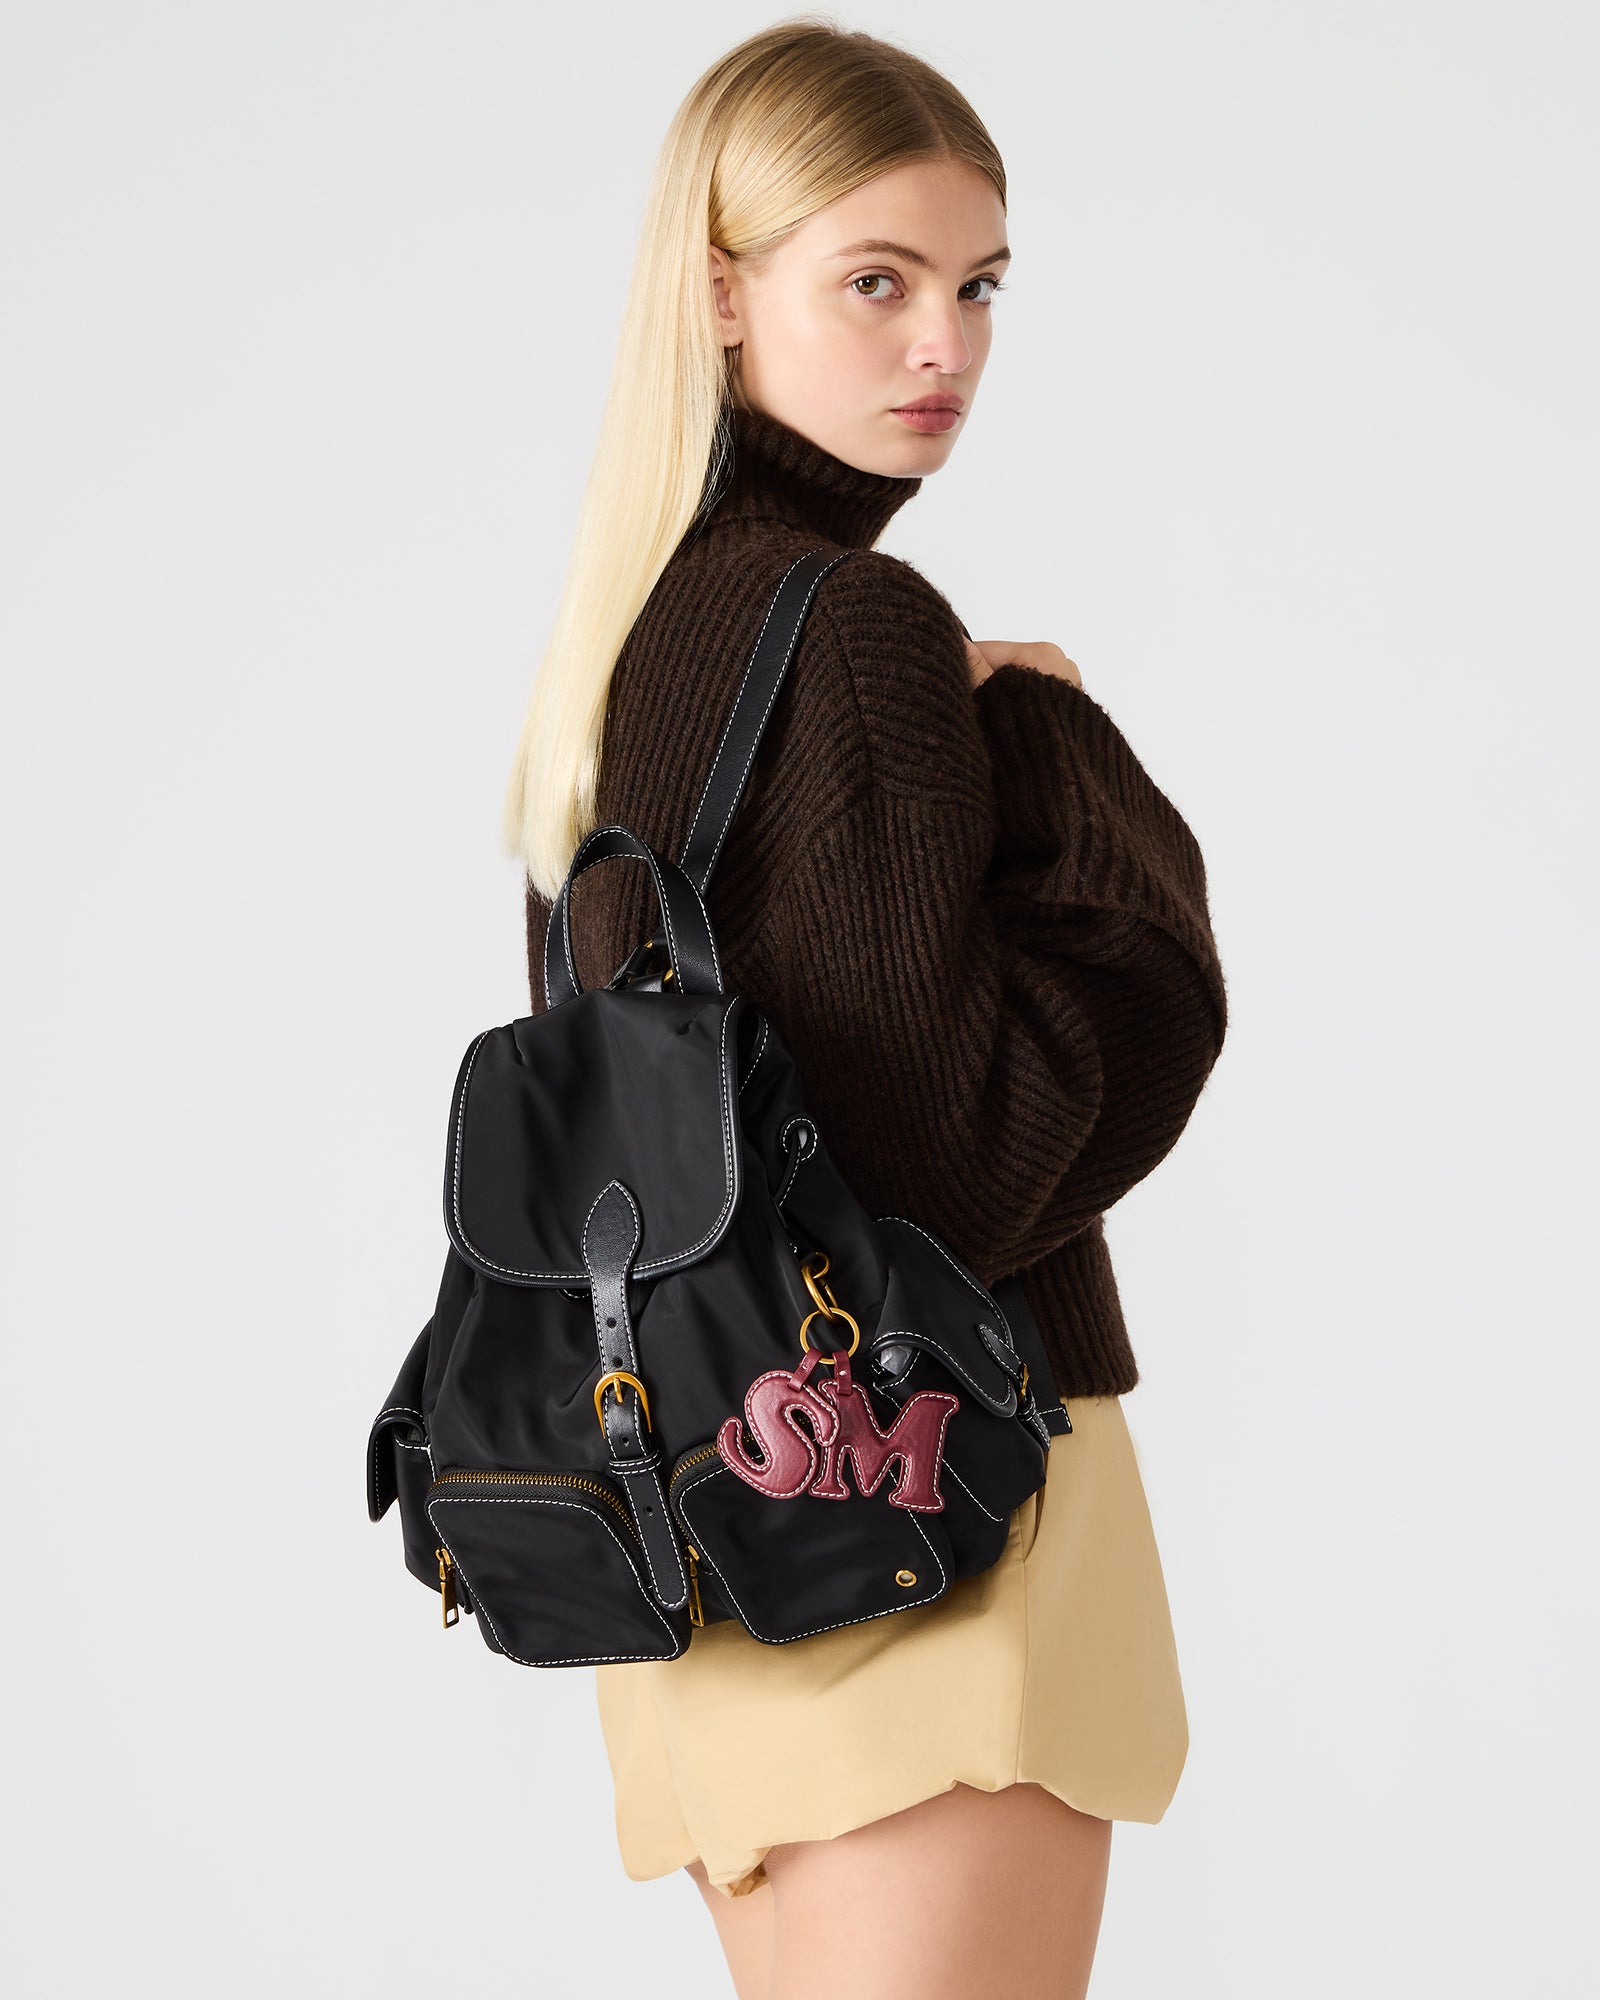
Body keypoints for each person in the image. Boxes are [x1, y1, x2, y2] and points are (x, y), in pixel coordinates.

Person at [502, 22, 1228, 2000]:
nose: (943, 346)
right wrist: (1052, 737)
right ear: (724, 291)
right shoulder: (850, 626)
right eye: (878, 281)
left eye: (978, 286)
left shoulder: (641, 638)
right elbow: (968, 1154)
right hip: (921, 1498)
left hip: (709, 1515)